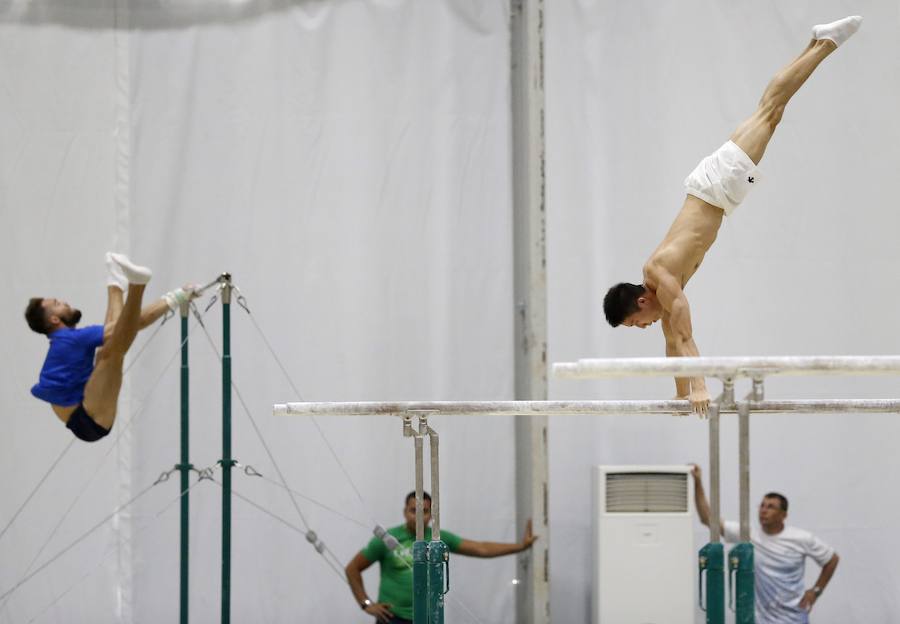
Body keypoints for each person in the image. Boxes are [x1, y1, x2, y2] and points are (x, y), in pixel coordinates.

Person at [602, 16, 863, 416]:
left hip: (715, 187)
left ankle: (824, 45)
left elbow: (687, 338)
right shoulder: (661, 295)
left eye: (637, 323)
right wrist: (680, 395)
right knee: (769, 111)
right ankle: (815, 44)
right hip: (717, 191)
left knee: (771, 110)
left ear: (641, 302)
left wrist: (701, 386)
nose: (645, 327)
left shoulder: (662, 277)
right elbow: (673, 346)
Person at [25, 252, 197, 442]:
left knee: (110, 346)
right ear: (54, 319)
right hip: (89, 421)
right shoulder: (71, 340)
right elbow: (134, 322)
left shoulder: (67, 340)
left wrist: (180, 296)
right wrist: (177, 296)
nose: (64, 302)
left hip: (85, 405)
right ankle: (136, 286)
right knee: (111, 353)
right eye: (57, 304)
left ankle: (115, 283)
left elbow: (124, 327)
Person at [345, 491, 538, 623]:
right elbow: (352, 568)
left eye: (425, 511)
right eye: (414, 511)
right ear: (405, 512)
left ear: (431, 514)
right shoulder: (387, 539)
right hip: (392, 618)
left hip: (428, 618)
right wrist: (366, 604)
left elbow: (480, 548)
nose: (419, 516)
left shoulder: (438, 538)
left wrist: (521, 546)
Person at [690, 465, 839, 623]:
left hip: (794, 619)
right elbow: (708, 519)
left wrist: (816, 591)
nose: (763, 510)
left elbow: (832, 559)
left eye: (770, 507)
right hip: (762, 620)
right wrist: (697, 481)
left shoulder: (801, 538)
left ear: (783, 515)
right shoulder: (750, 535)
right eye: (762, 505)